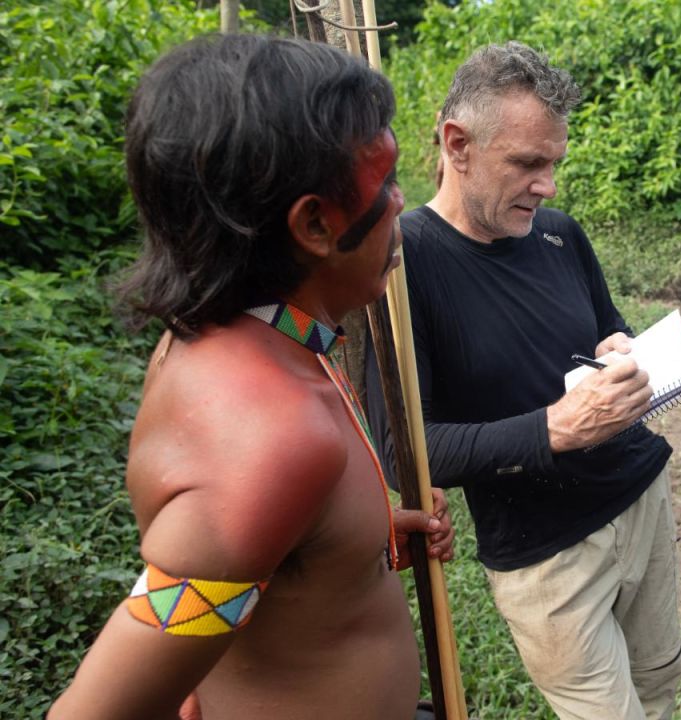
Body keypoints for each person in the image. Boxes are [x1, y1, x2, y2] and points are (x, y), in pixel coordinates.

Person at [49, 34, 455, 720]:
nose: (401, 200)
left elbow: (249, 562)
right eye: (384, 183)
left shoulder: (271, 335)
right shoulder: (272, 440)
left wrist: (357, 538)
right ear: (316, 224)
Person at [364, 42, 681, 720]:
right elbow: (405, 453)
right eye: (528, 164)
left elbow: (609, 326)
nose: (548, 186)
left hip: (640, 498)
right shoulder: (400, 265)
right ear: (457, 144)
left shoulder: (559, 236)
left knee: (660, 686)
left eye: (554, 164)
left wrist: (621, 347)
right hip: (548, 555)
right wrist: (553, 429)